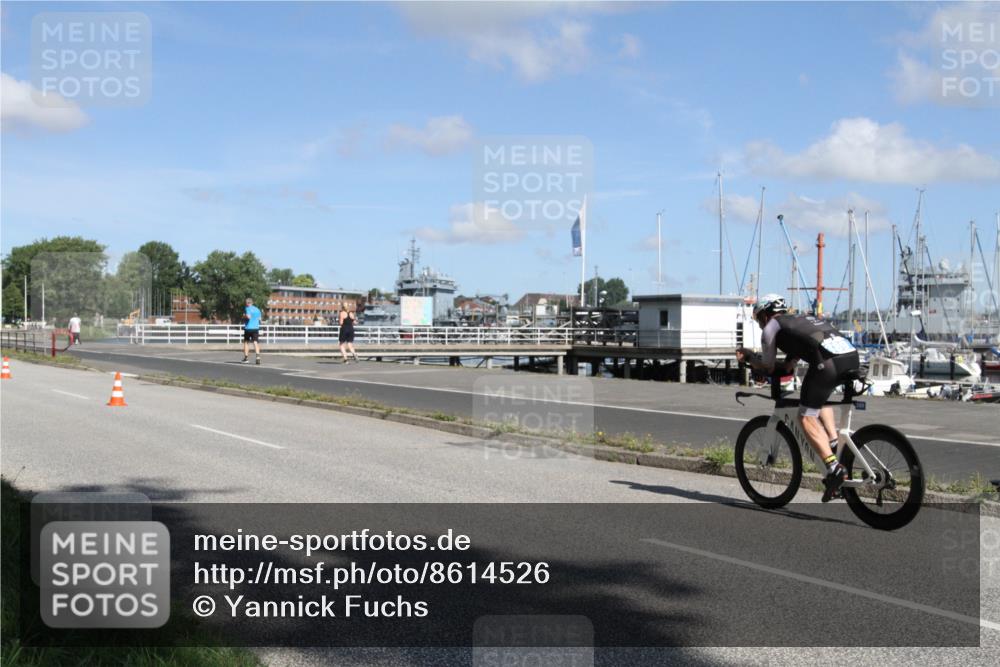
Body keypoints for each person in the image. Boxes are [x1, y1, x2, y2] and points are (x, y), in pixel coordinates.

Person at [736, 294, 860, 502]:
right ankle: (831, 442)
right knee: (817, 400)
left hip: (828, 364)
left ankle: (833, 467)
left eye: (758, 319)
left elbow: (767, 366)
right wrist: (783, 366)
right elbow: (787, 366)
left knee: (805, 417)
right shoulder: (800, 321)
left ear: (765, 315)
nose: (759, 325)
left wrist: (749, 357)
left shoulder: (771, 328)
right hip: (851, 358)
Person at [242, 298, 262, 365]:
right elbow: (260, 319)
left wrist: (244, 316)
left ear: (247, 303)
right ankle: (258, 357)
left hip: (248, 328)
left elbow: (248, 317)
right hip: (255, 328)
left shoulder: (247, 308)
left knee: (246, 342)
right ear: (252, 302)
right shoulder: (257, 309)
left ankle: (246, 358)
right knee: (255, 342)